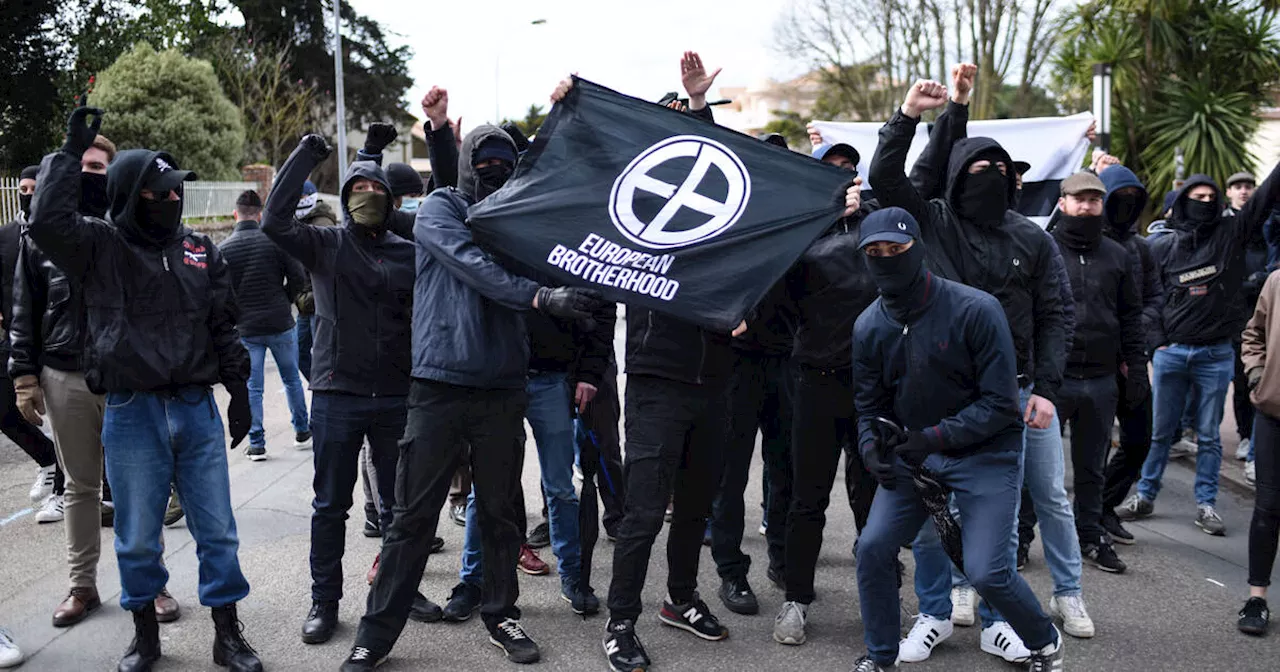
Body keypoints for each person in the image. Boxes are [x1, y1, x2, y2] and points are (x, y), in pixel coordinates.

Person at [342, 120, 604, 670]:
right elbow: (473, 264)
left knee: (500, 514)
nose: (493, 168)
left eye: (503, 159)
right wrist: (539, 298)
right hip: (439, 384)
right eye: (482, 159)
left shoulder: (521, 217)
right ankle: (376, 631)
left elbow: (567, 231)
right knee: (412, 517)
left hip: (503, 387)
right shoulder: (441, 208)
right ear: (465, 165)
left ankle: (501, 613)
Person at [29, 106, 260, 672]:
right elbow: (46, 222)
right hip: (132, 413)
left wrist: (240, 392)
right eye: (159, 193)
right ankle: (145, 637)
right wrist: (68, 150)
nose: (172, 200)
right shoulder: (99, 248)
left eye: (176, 191)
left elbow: (223, 326)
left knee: (217, 531)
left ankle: (228, 633)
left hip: (196, 409)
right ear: (132, 195)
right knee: (136, 537)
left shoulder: (199, 251)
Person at [870, 74, 1086, 655]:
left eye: (998, 171)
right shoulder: (934, 222)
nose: (987, 179)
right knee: (931, 515)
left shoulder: (1033, 240)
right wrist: (912, 113)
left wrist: (1048, 389)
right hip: (935, 397)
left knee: (1005, 516)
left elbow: (1056, 315)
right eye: (975, 170)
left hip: (1012, 399)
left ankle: (998, 623)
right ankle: (935, 612)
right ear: (955, 178)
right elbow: (887, 178)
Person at [850, 206, 1063, 672]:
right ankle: (881, 657)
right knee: (872, 548)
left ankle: (1044, 642)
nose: (886, 258)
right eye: (875, 252)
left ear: (918, 248)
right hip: (916, 458)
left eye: (896, 249)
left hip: (985, 453)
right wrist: (871, 448)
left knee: (988, 570)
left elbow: (1000, 403)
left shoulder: (975, 309)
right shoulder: (869, 325)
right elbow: (869, 406)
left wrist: (931, 437)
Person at [261, 124, 442, 644]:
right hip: (337, 395)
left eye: (377, 191)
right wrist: (306, 154)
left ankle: (399, 592)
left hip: (394, 397)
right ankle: (324, 602)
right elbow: (274, 218)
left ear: (391, 202)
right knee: (330, 506)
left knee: (399, 509)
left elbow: (447, 218)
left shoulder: (407, 248)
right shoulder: (325, 245)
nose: (368, 196)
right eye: (358, 190)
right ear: (345, 200)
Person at [11, 137, 185, 627]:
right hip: (65, 372)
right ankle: (82, 586)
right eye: (82, 165)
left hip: (125, 375)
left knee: (136, 486)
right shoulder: (39, 234)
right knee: (80, 487)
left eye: (98, 167)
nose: (90, 174)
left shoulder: (129, 232)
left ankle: (151, 584)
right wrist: (24, 373)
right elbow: (25, 309)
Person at [1123, 161, 1280, 535]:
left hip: (1215, 355)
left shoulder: (1231, 234)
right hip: (1171, 355)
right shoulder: (1163, 246)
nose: (1206, 203)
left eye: (1212, 197)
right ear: (1182, 202)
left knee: (1209, 436)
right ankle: (1145, 494)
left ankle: (1206, 505)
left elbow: (1264, 198)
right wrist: (1158, 345)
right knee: (1161, 432)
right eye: (1198, 198)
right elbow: (1149, 297)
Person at [447, 299, 617, 620]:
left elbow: (601, 306)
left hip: (551, 377)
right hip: (497, 379)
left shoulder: (565, 250)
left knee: (560, 488)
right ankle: (472, 581)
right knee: (482, 490)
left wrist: (590, 372)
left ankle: (573, 576)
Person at [770, 149, 875, 647]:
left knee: (873, 493)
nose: (842, 177)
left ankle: (879, 591)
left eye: (848, 169)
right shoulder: (802, 228)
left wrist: (862, 216)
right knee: (806, 497)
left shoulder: (877, 222)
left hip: (872, 385)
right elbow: (781, 295)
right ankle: (796, 599)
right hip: (814, 380)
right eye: (831, 168)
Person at [1049, 171, 1147, 574]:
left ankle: (1089, 536)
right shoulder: (1044, 248)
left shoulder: (1119, 254)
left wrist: (1137, 367)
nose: (1087, 206)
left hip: (1102, 380)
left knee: (1092, 468)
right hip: (1053, 379)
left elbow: (1131, 315)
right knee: (1037, 469)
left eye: (1094, 200)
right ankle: (1020, 537)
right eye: (1080, 199)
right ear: (1062, 203)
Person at [1097, 163, 1165, 546]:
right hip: (1093, 364)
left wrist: (1137, 333)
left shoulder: (1142, 248)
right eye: (1117, 198)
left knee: (1139, 439)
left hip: (1133, 362)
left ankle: (1104, 507)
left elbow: (1156, 297)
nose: (1125, 205)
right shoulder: (1084, 244)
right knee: (1090, 450)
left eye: (1132, 199)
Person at [217, 190, 311, 461]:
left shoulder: (224, 249)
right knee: (291, 379)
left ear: (236, 214)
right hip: (280, 321)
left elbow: (223, 294)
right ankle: (302, 431)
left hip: (248, 327)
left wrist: (238, 314)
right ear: (259, 214)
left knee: (253, 386)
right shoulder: (275, 242)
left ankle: (257, 443)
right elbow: (297, 277)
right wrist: (284, 300)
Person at [0, 164, 65, 525]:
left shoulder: (64, 232)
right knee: (4, 410)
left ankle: (63, 491)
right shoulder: (7, 235)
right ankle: (48, 460)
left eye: (33, 187)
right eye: (22, 188)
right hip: (15, 338)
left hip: (56, 339)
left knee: (63, 416)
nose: (26, 193)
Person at [1239, 267, 1280, 636]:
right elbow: (1253, 334)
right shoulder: (1277, 281)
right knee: (1267, 508)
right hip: (1274, 413)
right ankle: (1256, 598)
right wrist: (1256, 376)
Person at [292, 179, 338, 385]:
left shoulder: (322, 224)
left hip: (317, 301)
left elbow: (326, 267)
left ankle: (325, 390)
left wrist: (309, 296)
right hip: (304, 303)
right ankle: (321, 387)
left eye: (300, 197)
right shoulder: (296, 221)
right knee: (299, 353)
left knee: (322, 356)